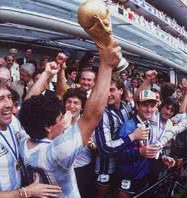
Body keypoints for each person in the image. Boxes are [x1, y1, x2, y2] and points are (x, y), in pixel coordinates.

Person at [19, 39, 121, 197]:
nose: (64, 119)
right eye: (60, 118)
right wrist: (106, 66)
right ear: (48, 126)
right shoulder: (58, 151)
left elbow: (28, 106)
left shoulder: (24, 141)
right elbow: (91, 116)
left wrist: (46, 74)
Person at [0, 76, 62, 197]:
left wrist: (47, 74)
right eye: (0, 99)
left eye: (9, 97)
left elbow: (28, 103)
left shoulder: (12, 122)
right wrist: (26, 192)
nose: (9, 104)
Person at [94, 80, 147, 198]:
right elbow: (105, 148)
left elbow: (138, 100)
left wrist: (147, 80)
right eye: (105, 90)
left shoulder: (125, 106)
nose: (108, 94)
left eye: (112, 89)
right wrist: (133, 136)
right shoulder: (102, 113)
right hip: (105, 168)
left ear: (121, 91)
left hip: (121, 166)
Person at [118, 90, 175, 197]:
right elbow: (118, 155)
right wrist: (139, 152)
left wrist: (162, 158)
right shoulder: (128, 126)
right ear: (137, 106)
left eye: (152, 106)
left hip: (143, 177)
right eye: (145, 105)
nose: (149, 110)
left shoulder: (148, 124)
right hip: (128, 179)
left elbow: (147, 150)